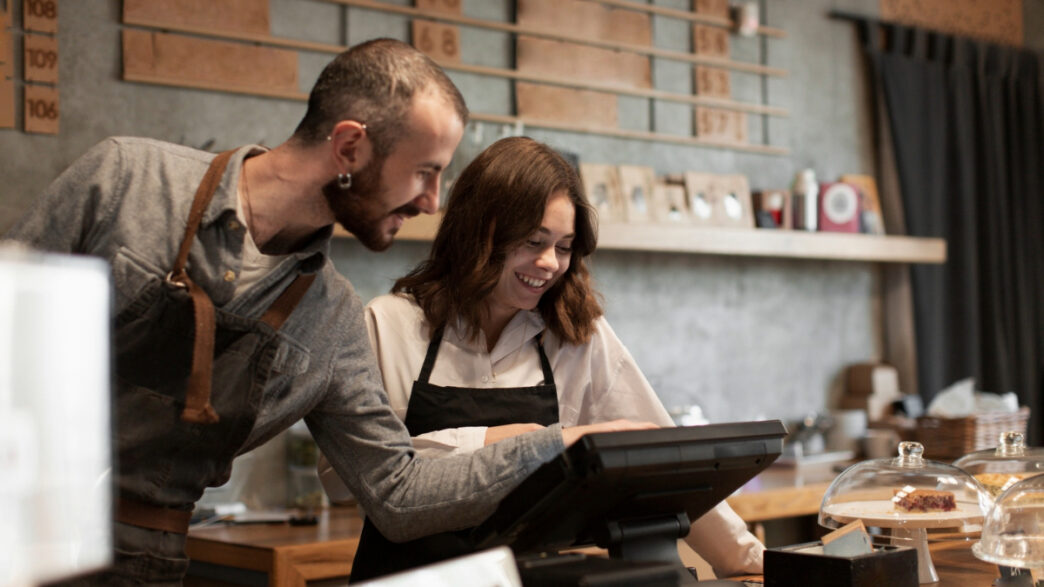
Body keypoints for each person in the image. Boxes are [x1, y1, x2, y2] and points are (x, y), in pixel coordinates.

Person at [3, 39, 648, 585]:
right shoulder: (129, 181)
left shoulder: (332, 317)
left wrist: (557, 446)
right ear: (349, 149)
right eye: (425, 172)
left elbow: (396, 493)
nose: (432, 203)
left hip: (149, 561)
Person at [318, 136, 766, 581]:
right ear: (479, 231)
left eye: (564, 246)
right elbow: (344, 480)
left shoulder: (575, 334)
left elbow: (666, 461)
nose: (550, 262)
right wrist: (512, 441)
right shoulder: (389, 324)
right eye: (533, 241)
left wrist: (749, 559)